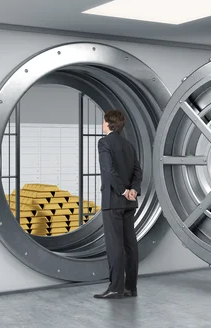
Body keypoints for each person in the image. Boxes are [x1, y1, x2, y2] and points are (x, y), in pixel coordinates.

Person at [93, 109, 142, 299]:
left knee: (115, 246)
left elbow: (108, 170)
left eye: (103, 121)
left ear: (107, 123)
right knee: (130, 245)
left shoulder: (104, 142)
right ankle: (131, 288)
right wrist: (133, 190)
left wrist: (122, 191)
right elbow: (138, 172)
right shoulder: (129, 145)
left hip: (113, 201)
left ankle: (115, 288)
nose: (102, 124)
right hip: (130, 202)